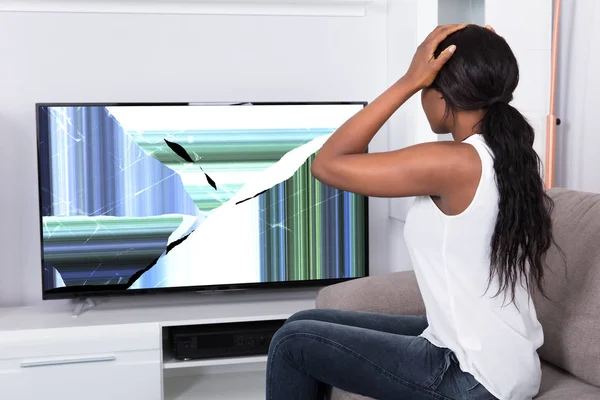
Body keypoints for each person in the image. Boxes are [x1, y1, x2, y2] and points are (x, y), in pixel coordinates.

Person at [265, 23, 555, 400]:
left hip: (474, 378)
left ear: (440, 93)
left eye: (425, 86)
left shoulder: (453, 162)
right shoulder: (507, 155)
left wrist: (408, 79)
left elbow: (327, 164)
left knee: (293, 342)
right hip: (504, 363)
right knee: (307, 321)